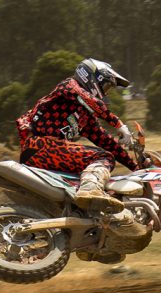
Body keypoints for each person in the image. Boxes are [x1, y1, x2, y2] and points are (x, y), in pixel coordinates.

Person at [16, 58, 140, 212]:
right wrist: (118, 124)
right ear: (91, 78)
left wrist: (136, 167)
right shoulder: (68, 86)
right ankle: (89, 190)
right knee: (103, 157)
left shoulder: (84, 116)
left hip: (48, 152)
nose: (105, 92)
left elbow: (107, 142)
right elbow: (90, 100)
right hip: (40, 147)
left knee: (104, 155)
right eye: (106, 86)